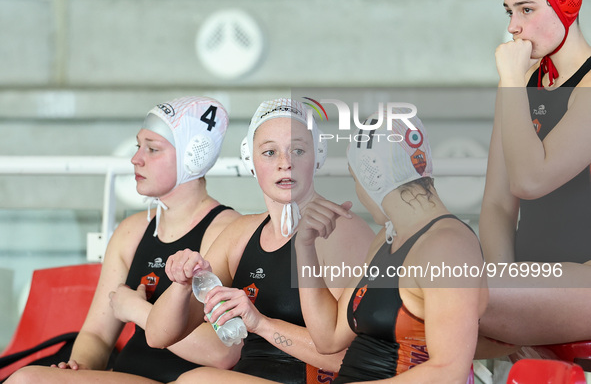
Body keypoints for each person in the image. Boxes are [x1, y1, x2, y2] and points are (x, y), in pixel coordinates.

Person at [6, 96, 242, 384]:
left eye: (152, 149)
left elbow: (221, 352)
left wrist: (136, 309)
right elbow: (96, 335)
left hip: (182, 379)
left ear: (194, 156)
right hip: (125, 376)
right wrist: (77, 367)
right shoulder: (131, 233)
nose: (136, 159)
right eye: (138, 146)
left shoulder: (225, 231)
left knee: (26, 379)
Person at [145, 98, 375, 384]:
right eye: (269, 152)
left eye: (298, 150)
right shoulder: (240, 234)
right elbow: (157, 336)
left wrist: (261, 324)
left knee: (197, 381)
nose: (285, 164)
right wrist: (181, 285)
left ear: (318, 155)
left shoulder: (341, 231)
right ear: (249, 160)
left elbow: (358, 358)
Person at [294, 109, 488, 383]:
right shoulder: (385, 241)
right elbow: (329, 337)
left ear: (371, 176)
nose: (358, 193)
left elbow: (449, 372)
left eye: (355, 179)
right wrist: (305, 247)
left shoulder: (448, 247)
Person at [478, 0, 591, 347]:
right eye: (509, 12)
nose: (514, 27)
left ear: (566, 7)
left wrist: (510, 81)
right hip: (530, 278)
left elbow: (529, 180)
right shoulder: (521, 83)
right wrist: (504, 281)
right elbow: (497, 202)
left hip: (584, 281)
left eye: (527, 10)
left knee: (453, 295)